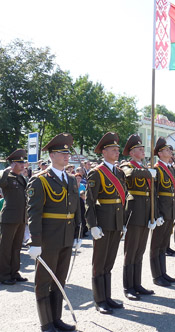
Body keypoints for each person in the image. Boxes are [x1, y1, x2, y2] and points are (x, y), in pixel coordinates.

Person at [27, 133, 81, 332]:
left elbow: (75, 209)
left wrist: (77, 234)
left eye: (67, 152)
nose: (67, 156)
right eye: (62, 153)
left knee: (59, 280)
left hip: (66, 236)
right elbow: (34, 212)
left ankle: (57, 318)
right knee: (43, 281)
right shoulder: (40, 180)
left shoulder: (70, 179)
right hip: (48, 239)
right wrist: (35, 241)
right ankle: (46, 322)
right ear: (51, 155)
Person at [85, 132, 127, 314]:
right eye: (113, 149)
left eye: (118, 149)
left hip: (116, 222)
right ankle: (99, 300)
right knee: (99, 263)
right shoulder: (97, 172)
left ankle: (107, 297)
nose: (117, 152)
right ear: (104, 152)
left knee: (109, 262)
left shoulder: (118, 172)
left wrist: (123, 222)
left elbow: (122, 199)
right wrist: (92, 225)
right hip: (102, 223)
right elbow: (89, 201)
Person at [120, 134, 155, 301]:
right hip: (134, 212)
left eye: (142, 149)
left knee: (140, 251)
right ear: (132, 152)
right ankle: (128, 287)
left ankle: (137, 283)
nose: (142, 151)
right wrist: (148, 172)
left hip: (145, 211)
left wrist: (153, 215)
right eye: (139, 149)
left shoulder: (145, 166)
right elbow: (130, 174)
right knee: (131, 251)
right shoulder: (127, 165)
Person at [150, 137, 175, 287]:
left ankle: (163, 272)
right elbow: (154, 194)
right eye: (167, 150)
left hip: (170, 209)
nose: (170, 152)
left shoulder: (168, 168)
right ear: (160, 153)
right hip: (162, 210)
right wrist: (157, 214)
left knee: (163, 244)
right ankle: (157, 275)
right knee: (156, 245)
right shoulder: (157, 169)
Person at [0, 149, 28, 285]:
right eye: (20, 163)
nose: (23, 165)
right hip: (9, 217)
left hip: (21, 217)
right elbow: (1, 182)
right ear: (13, 164)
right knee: (5, 247)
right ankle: (4, 274)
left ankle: (14, 272)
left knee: (16, 247)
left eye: (23, 162)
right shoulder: (7, 176)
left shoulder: (21, 177)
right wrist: (6, 170)